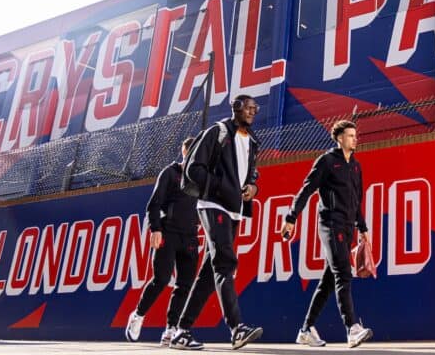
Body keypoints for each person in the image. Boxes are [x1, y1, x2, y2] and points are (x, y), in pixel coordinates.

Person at [170, 94, 262, 351]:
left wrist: (253, 185)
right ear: (236, 108)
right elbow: (194, 169)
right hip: (213, 204)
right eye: (248, 108)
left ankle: (181, 331)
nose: (253, 111)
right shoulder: (218, 131)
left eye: (256, 108)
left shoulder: (253, 141)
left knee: (209, 274)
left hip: (234, 209)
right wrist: (221, 188)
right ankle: (236, 328)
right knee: (225, 262)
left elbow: (251, 171)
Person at [281, 120, 373, 348]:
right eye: (350, 135)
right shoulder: (327, 161)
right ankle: (352, 328)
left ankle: (305, 330)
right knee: (343, 272)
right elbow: (306, 189)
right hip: (330, 224)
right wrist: (291, 218)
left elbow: (356, 201)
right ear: (339, 138)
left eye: (355, 135)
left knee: (328, 282)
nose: (355, 139)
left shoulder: (356, 166)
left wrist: (363, 228)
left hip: (348, 227)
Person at [125, 137, 200, 345]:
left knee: (185, 285)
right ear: (184, 152)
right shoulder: (170, 173)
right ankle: (138, 316)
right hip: (168, 233)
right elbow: (154, 204)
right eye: (190, 150)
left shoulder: (202, 179)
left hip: (191, 237)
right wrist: (155, 229)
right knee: (161, 279)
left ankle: (171, 329)